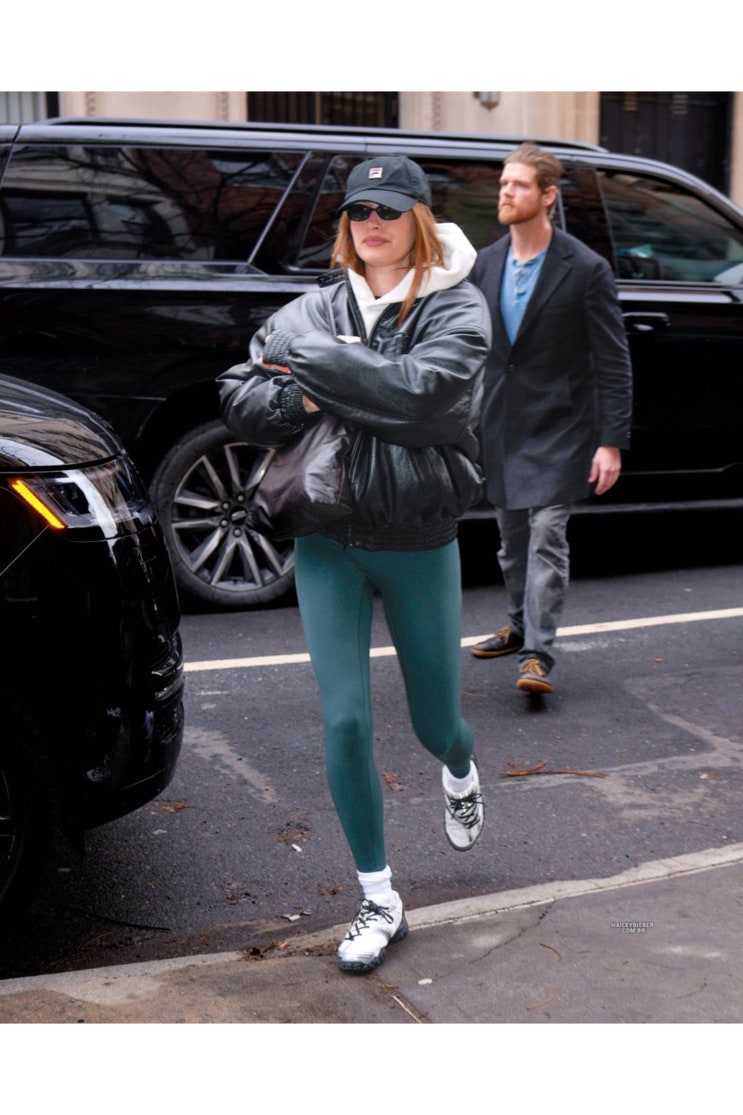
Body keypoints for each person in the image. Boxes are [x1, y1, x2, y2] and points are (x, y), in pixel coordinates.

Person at [218, 155, 491, 974]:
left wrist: (311, 363)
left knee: (434, 723)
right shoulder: (314, 305)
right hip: (325, 535)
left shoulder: (457, 305)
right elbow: (239, 395)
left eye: (390, 209)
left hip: (416, 535)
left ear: (420, 219)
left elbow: (422, 396)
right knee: (343, 721)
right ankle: (379, 897)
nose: (373, 223)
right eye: (360, 211)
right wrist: (311, 391)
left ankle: (460, 767)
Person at [470, 142, 633, 695]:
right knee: (511, 541)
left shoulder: (584, 268)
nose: (506, 192)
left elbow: (612, 361)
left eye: (518, 184)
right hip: (501, 423)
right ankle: (518, 626)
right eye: (503, 184)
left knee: (545, 536)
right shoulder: (485, 263)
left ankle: (537, 654)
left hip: (563, 426)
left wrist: (610, 441)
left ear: (547, 196)